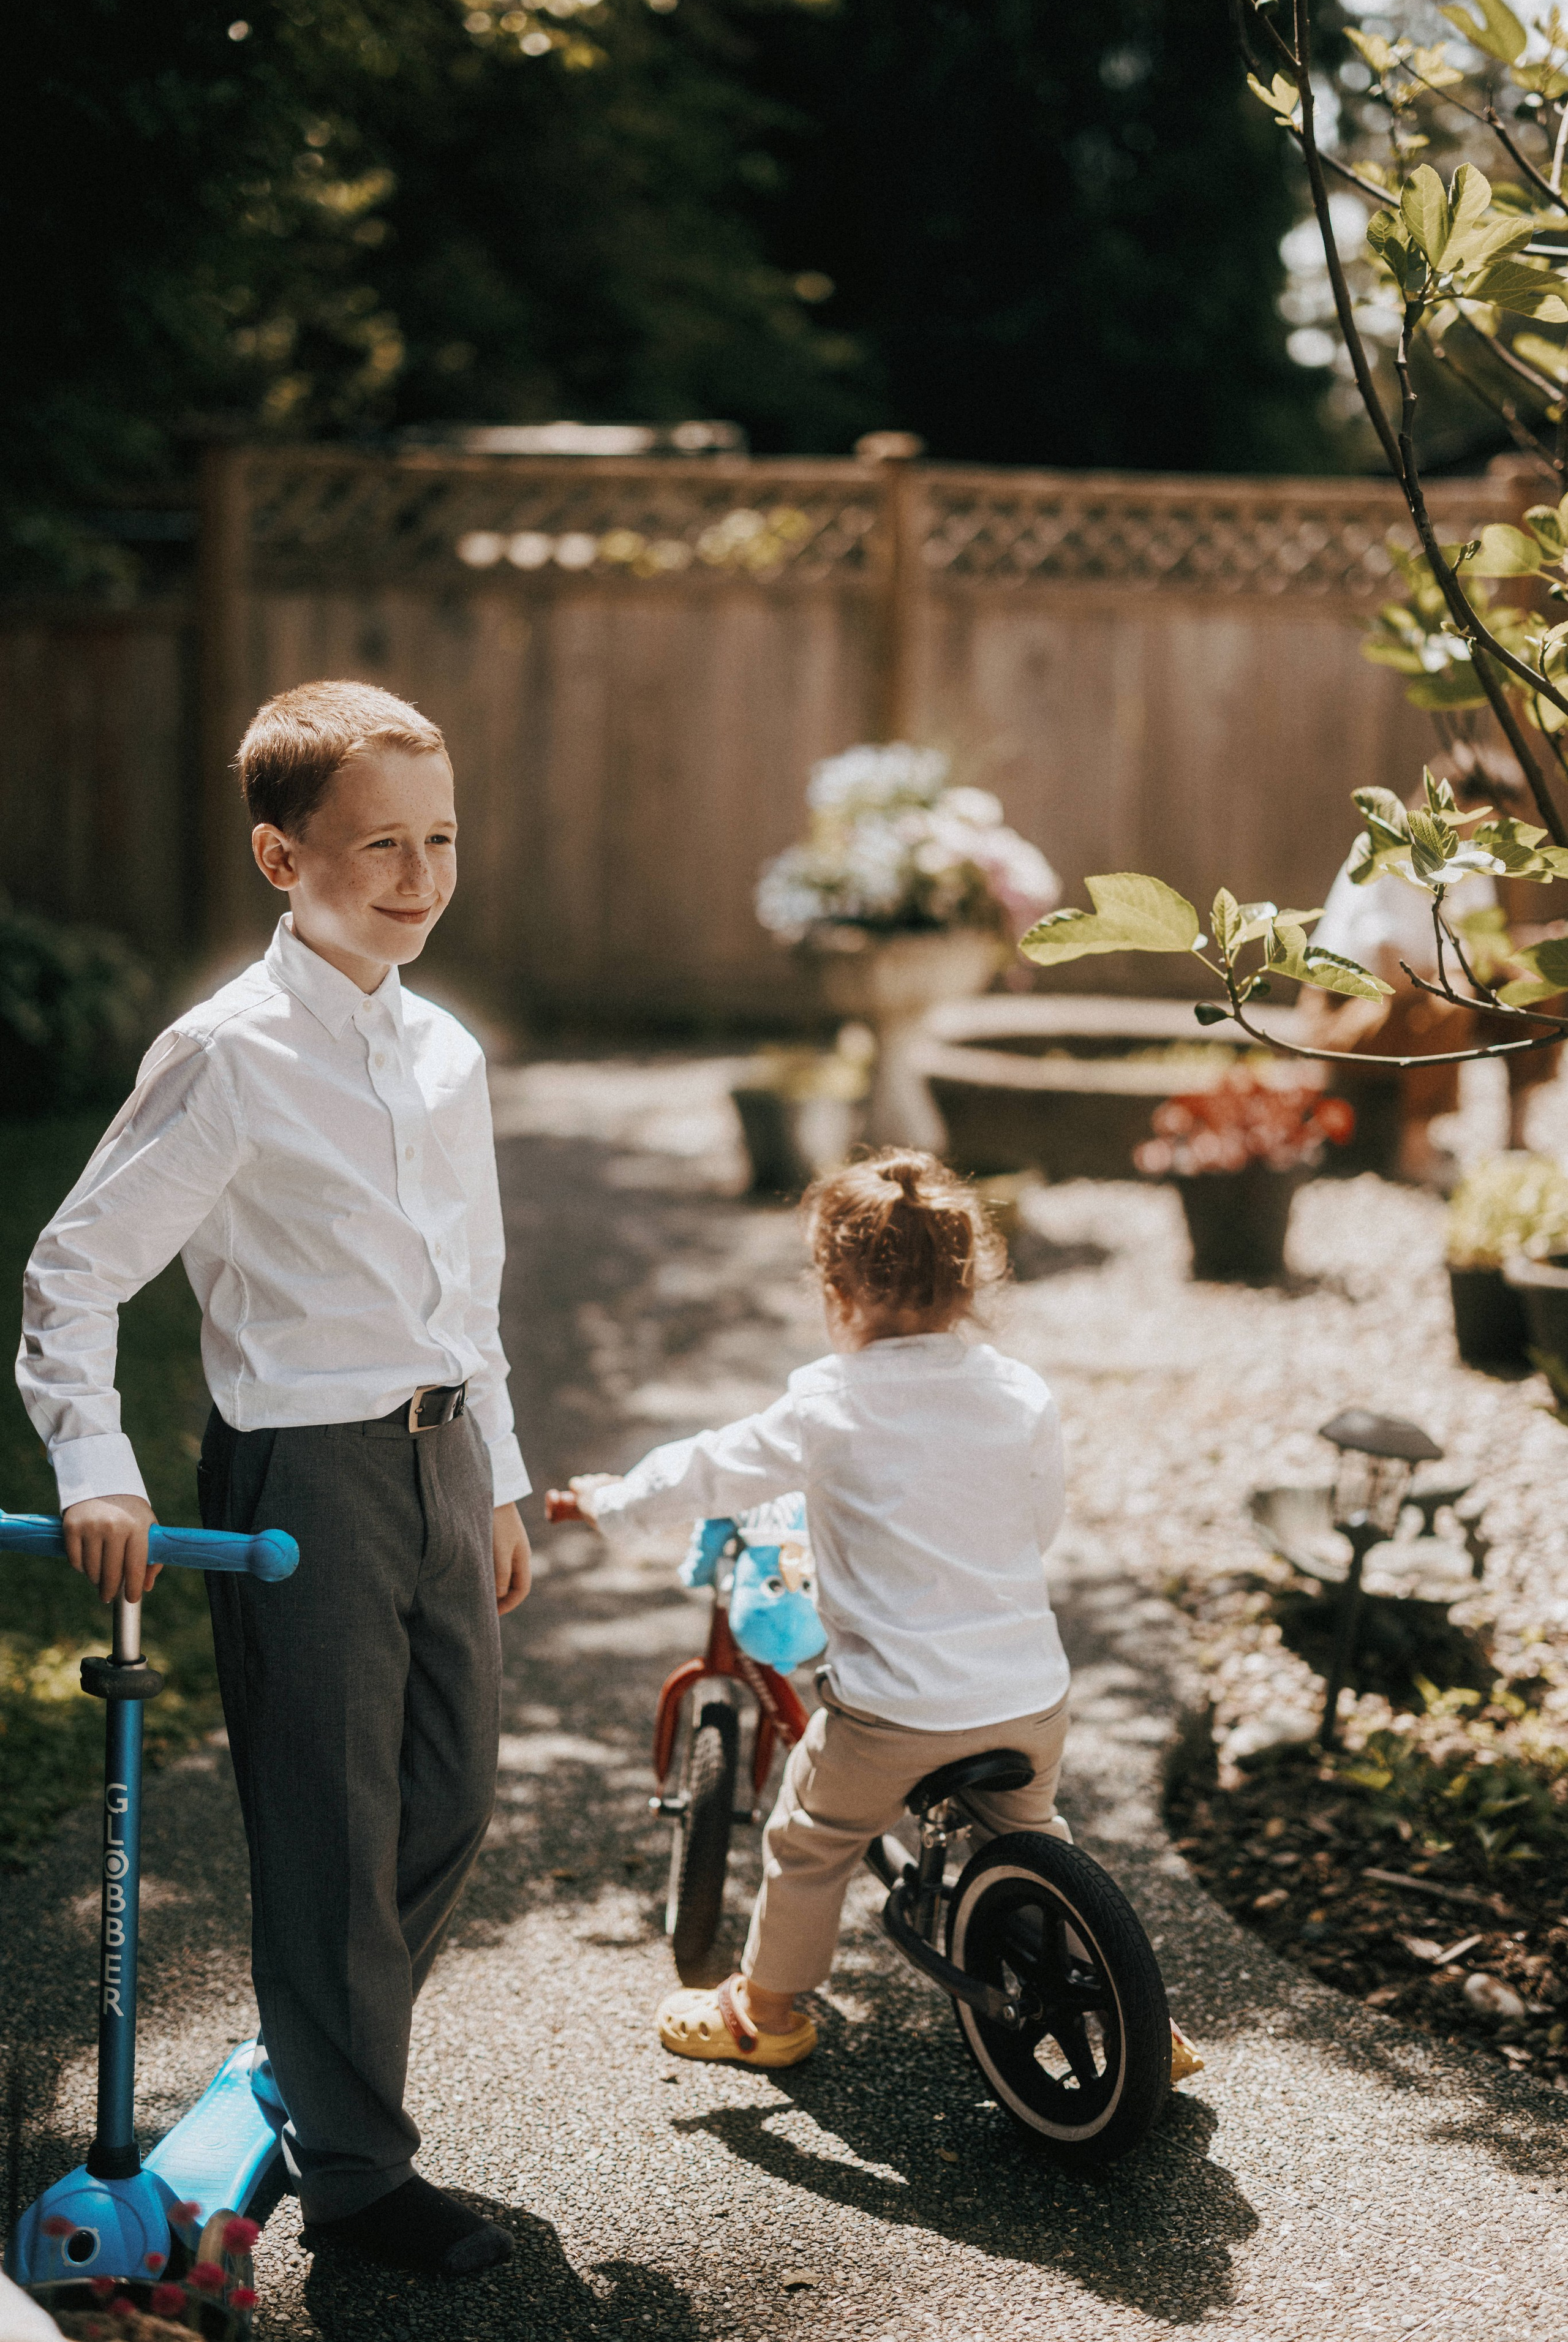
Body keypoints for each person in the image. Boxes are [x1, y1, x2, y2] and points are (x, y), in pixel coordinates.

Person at [15, 681, 531, 2280]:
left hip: (446, 1452)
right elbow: (72, 1269)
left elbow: (474, 1285)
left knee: (452, 1793)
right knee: (330, 1823)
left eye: (439, 837)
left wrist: (501, 1476)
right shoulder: (225, 1056)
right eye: (377, 842)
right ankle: (362, 2179)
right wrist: (94, 1465)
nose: (417, 875)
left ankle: (314, 2043)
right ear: (277, 852)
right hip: (299, 1478)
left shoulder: (444, 1045)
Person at [571, 1149, 1202, 2082]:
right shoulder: (1019, 1390)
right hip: (1027, 1694)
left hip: (893, 1715)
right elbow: (1039, 1524)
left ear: (836, 1287)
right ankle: (1122, 1999)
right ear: (970, 1281)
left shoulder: (829, 1402)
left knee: (809, 1838)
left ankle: (767, 2011)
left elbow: (710, 1468)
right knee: (1026, 1835)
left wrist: (613, 1502)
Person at [1297, 745, 1567, 1183]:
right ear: (1459, 806)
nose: (1496, 830)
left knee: (1538, 978)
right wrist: (1456, 975)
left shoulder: (1470, 858)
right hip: (1345, 1010)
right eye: (1491, 818)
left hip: (1427, 989)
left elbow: (1478, 946)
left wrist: (1538, 946)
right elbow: (1388, 967)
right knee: (1448, 1001)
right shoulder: (1392, 847)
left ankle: (1518, 1133)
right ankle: (1414, 1154)